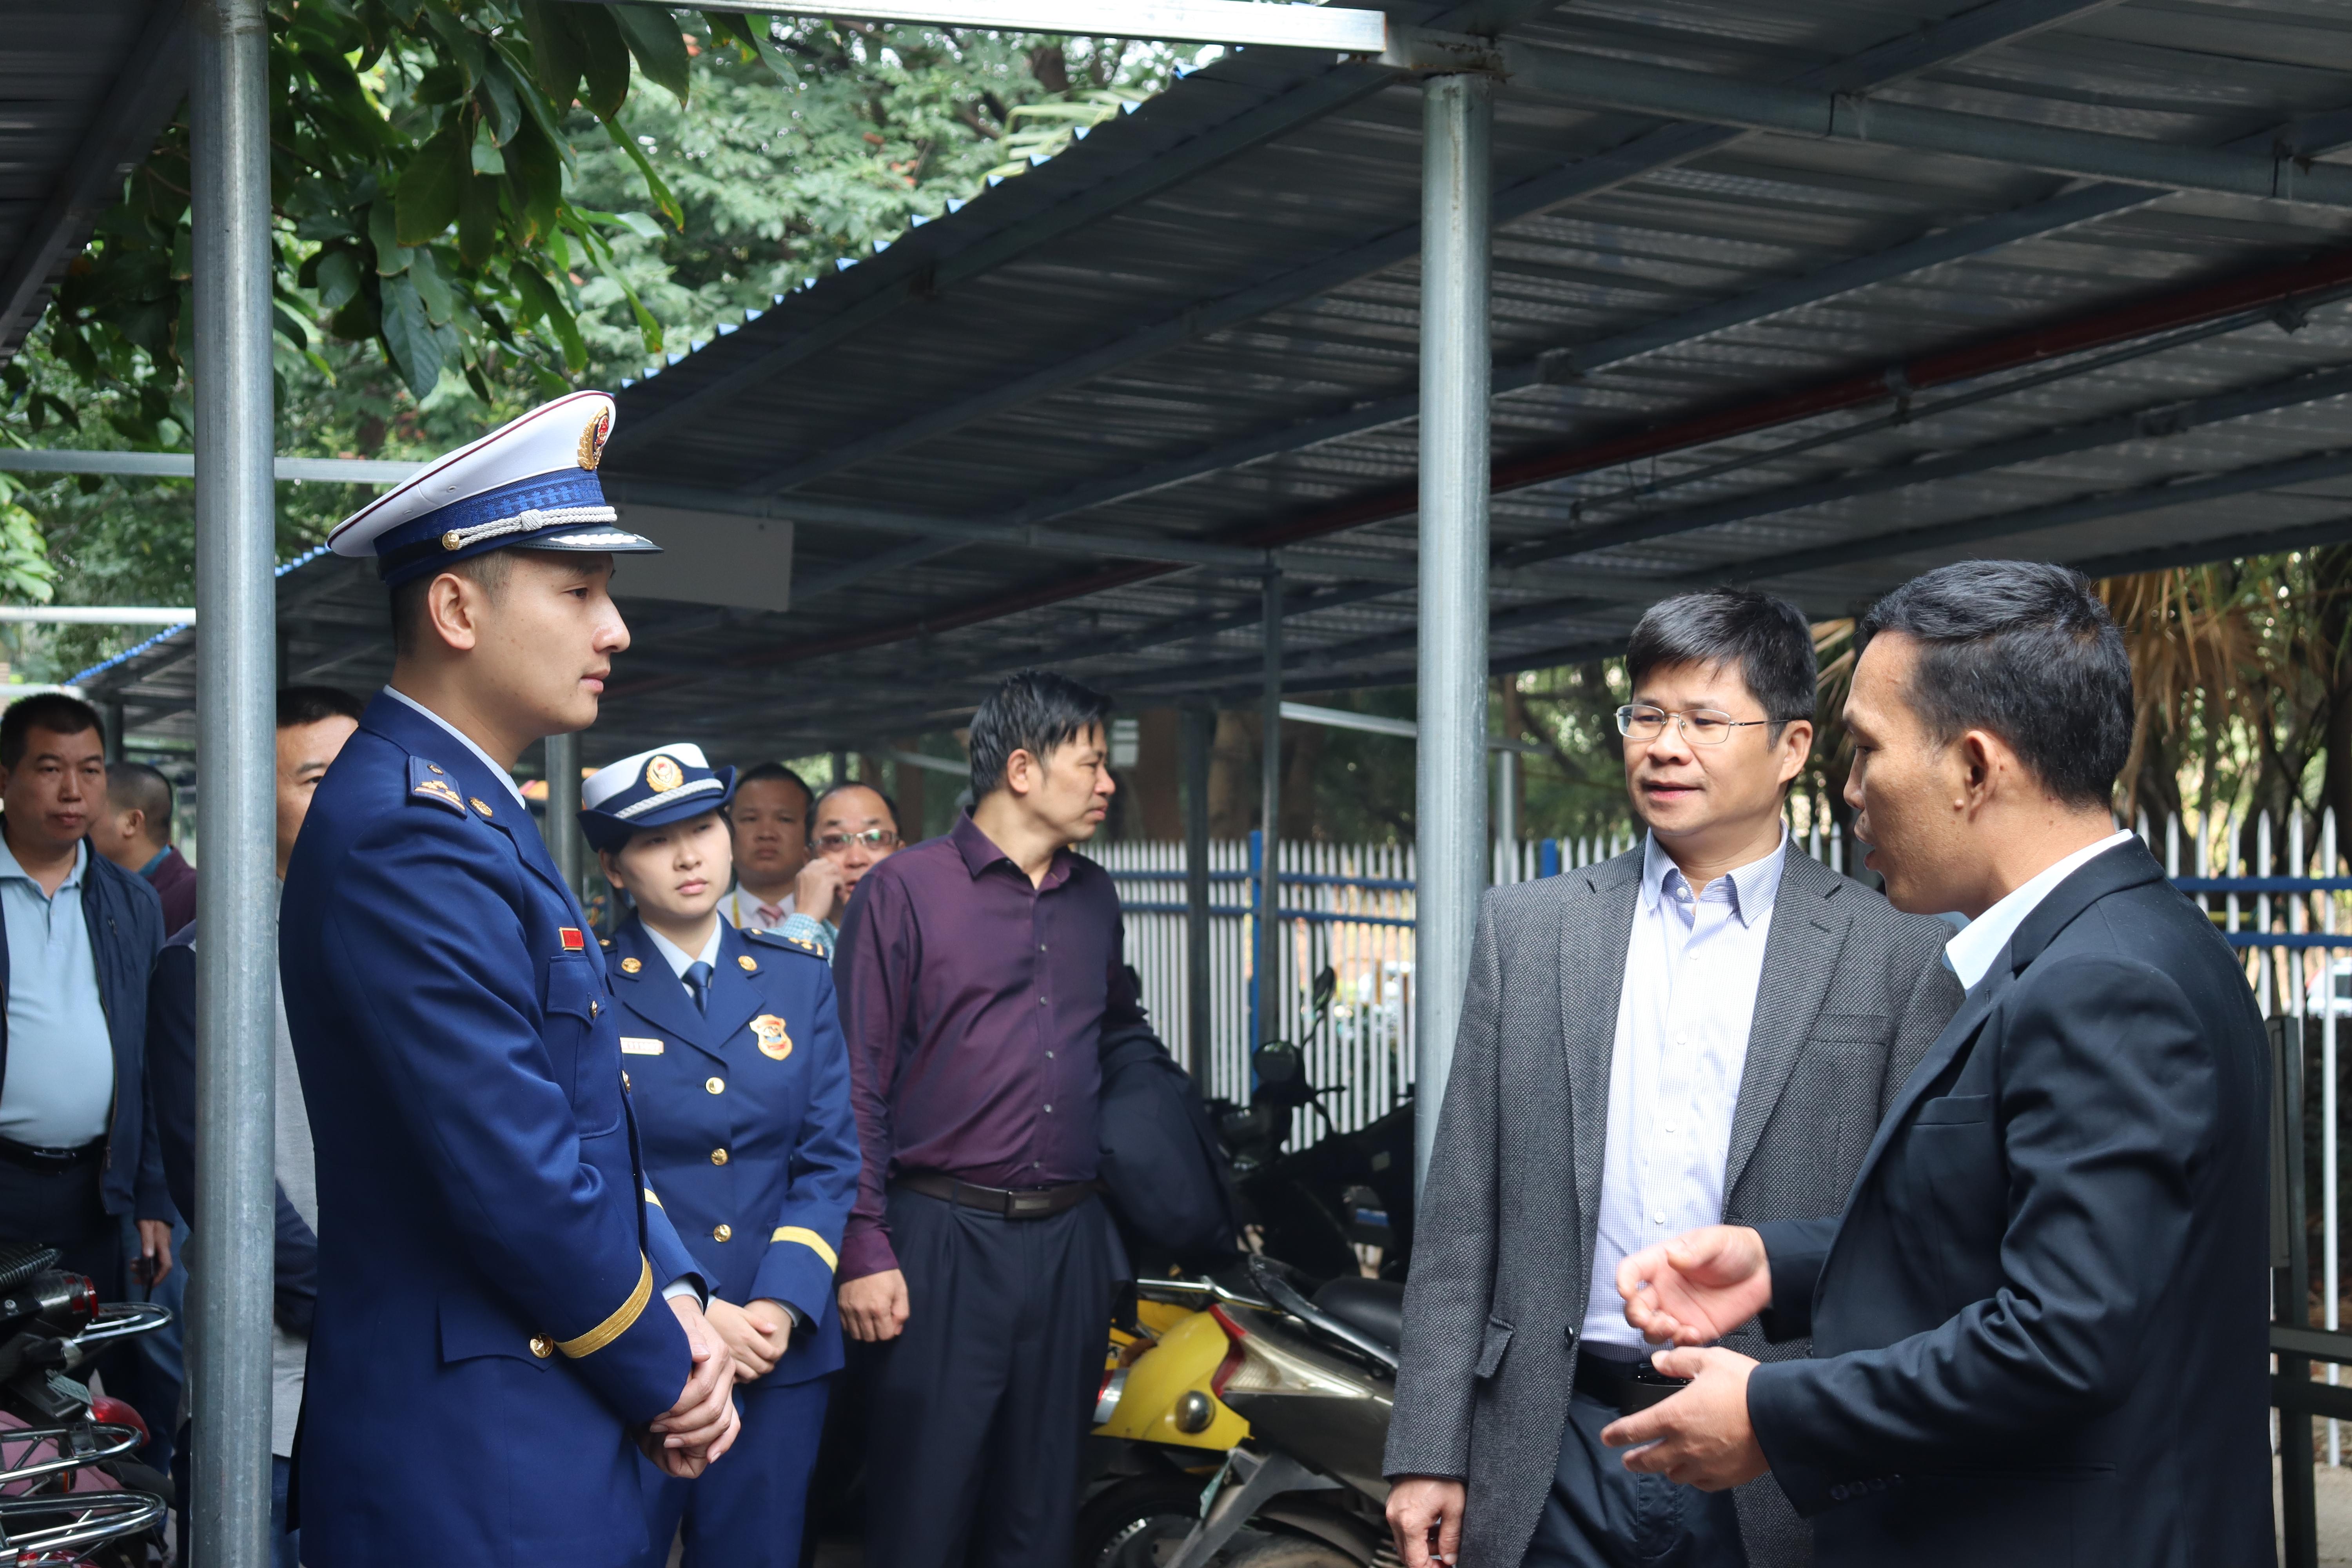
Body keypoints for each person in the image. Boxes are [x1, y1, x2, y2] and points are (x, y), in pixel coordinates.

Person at [1606, 562, 2272, 1567]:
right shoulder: (2120, 944)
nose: (1849, 788)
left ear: (1973, 767)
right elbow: (2012, 1233)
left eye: (1867, 749)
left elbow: (2058, 1341)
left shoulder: (2100, 983)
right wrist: (1774, 1264)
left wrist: (1772, 1408)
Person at [1383, 590, 1963, 1568]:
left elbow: (1914, 1236)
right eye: (1646, 715)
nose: (1664, 745)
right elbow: (1458, 1219)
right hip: (1552, 1436)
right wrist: (1427, 1449)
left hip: (1769, 1448)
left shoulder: (1895, 950)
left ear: (1789, 747)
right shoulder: (1528, 933)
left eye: (1703, 719)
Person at [278, 392, 740, 1568]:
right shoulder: (408, 829)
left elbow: (583, 1118)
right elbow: (516, 1172)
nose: (615, 629)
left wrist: (677, 1292)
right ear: (454, 607)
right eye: (578, 591)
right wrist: (669, 1364)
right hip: (474, 1457)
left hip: (534, 1422)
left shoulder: (471, 805)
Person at [834, 669, 1139, 1568]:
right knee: (924, 1508)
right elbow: (854, 1075)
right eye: (1089, 762)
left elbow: (1121, 1039)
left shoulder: (1097, 898)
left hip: (1071, 1245)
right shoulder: (905, 890)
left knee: (1041, 1512)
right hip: (939, 1241)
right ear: (1020, 768)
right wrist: (863, 1243)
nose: (1107, 782)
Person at [578, 742, 859, 1568]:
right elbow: (593, 1169)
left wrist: (777, 1305)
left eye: (704, 827)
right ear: (615, 866)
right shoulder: (588, 985)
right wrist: (698, 1311)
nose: (690, 854)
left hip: (781, 1346)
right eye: (657, 839)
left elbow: (828, 1158)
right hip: (639, 1335)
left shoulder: (797, 981)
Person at [149, 684, 365, 1567]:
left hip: (414, 1370)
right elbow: (219, 1172)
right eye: (317, 777)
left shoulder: (436, 937)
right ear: (250, 796)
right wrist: (348, 1298)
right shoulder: (201, 964)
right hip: (278, 1372)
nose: (349, 793)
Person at [0, 692, 174, 1298]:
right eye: (50, 769)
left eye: (90, 770)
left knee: (85, 1363)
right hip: (5, 1178)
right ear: (5, 778)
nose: (73, 791)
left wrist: (153, 1194)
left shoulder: (132, 903)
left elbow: (153, 1057)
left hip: (96, 1190)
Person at [775, 781, 902, 960]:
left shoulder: (931, 940)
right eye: (835, 841)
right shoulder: (767, 948)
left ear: (901, 853)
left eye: (875, 838)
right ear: (809, 860)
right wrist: (806, 916)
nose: (856, 860)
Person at [91, 761, 195, 935]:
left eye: (92, 811)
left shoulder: (194, 897)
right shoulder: (95, 888)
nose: (78, 818)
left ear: (132, 822)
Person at [718, 762, 820, 934]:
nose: (766, 834)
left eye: (785, 819)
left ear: (811, 831)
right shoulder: (707, 921)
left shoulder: (834, 920)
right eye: (751, 819)